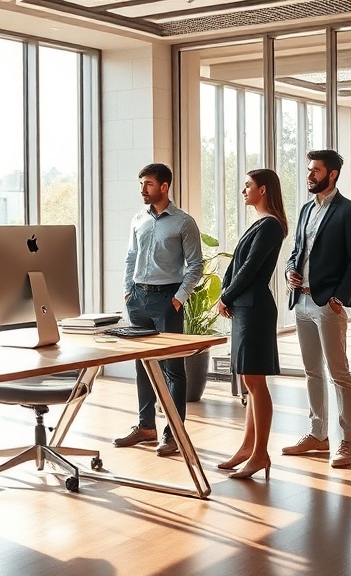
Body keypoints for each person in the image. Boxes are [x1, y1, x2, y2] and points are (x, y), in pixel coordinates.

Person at [283, 149, 351, 468]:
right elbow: (296, 251)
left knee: (339, 373)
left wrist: (339, 296)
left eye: (315, 170)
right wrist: (291, 270)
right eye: (308, 169)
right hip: (301, 301)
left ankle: (347, 441)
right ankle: (318, 435)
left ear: (331, 174)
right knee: (311, 371)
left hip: (327, 303)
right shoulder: (306, 210)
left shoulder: (349, 211)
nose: (309, 175)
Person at [113, 163, 204, 457]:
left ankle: (173, 433)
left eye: (148, 184)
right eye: (141, 184)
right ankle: (146, 427)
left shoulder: (183, 222)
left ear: (164, 186)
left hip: (167, 299)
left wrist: (177, 299)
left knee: (172, 369)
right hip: (138, 298)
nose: (143, 189)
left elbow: (195, 265)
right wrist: (128, 291)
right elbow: (130, 257)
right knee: (142, 364)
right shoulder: (138, 218)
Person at [215, 169, 289, 480]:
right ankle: (248, 448)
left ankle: (260, 454)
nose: (243, 190)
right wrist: (227, 294)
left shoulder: (270, 225)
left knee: (256, 384)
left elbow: (249, 269)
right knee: (250, 382)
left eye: (248, 185)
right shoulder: (260, 223)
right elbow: (237, 266)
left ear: (263, 190)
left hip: (255, 308)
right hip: (245, 306)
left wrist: (225, 297)